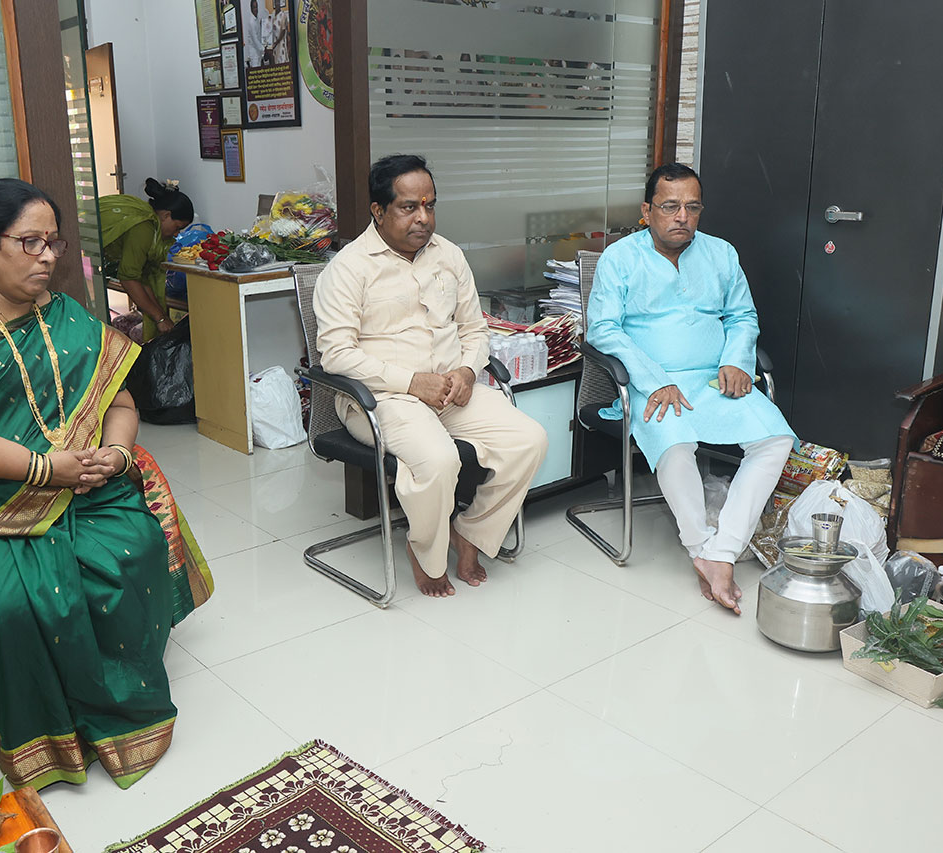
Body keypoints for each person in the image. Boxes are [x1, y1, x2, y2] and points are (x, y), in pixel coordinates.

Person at [0, 178, 211, 788]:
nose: (49, 257)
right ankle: (47, 736)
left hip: (76, 483)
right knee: (2, 603)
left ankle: (113, 704)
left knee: (131, 550)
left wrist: (116, 452)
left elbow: (119, 401)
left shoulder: (65, 313)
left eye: (54, 242)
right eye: (30, 242)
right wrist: (39, 468)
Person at [314, 154, 548, 598]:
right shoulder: (348, 268)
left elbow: (474, 329)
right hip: (381, 398)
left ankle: (472, 533)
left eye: (430, 205)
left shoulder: (449, 255)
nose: (423, 218)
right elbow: (336, 355)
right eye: (408, 207)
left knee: (529, 440)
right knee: (440, 460)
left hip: (450, 389)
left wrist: (467, 370)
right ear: (378, 210)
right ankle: (426, 551)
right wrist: (411, 382)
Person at [587, 163, 796, 614]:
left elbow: (742, 316)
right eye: (669, 206)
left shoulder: (721, 253)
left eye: (692, 207)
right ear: (646, 211)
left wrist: (736, 360)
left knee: (776, 439)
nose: (682, 216)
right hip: (651, 382)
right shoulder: (619, 258)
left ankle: (723, 549)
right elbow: (602, 329)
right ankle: (701, 547)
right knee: (676, 443)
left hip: (713, 379)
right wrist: (653, 379)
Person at [100, 178, 194, 342]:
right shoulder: (144, 227)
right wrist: (160, 318)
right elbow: (128, 278)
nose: (176, 234)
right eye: (177, 227)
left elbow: (142, 278)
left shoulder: (149, 221)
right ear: (166, 215)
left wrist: (161, 315)